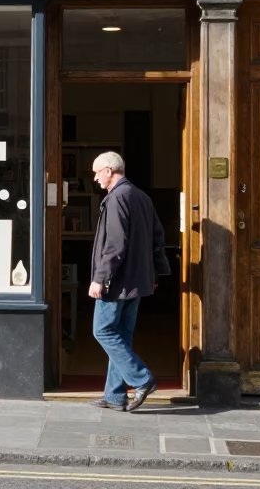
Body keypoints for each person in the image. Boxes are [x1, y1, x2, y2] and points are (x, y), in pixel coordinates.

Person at [87, 151, 171, 412]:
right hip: (137, 282)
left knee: (102, 331)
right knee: (121, 336)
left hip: (116, 282)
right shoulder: (141, 196)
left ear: (110, 170)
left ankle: (142, 379)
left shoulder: (117, 198)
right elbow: (158, 237)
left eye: (97, 171)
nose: (95, 177)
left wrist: (100, 278)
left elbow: (114, 245)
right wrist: (155, 273)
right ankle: (114, 396)